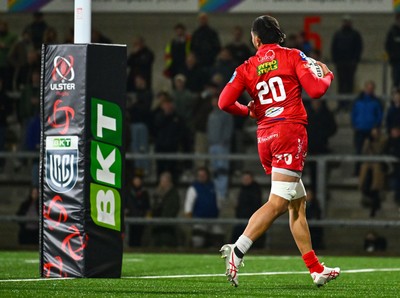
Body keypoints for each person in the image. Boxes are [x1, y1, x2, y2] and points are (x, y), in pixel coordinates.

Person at [218, 15, 340, 287]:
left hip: (265, 137)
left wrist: (247, 110)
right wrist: (328, 74)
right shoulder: (293, 55)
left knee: (297, 204)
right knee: (278, 203)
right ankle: (237, 251)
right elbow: (317, 91)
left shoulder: (246, 66)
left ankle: (315, 270)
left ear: (256, 39)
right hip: (288, 132)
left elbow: (224, 102)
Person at [351, 80, 383, 175]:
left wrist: (376, 127)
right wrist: (355, 125)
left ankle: (372, 174)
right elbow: (353, 114)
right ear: (365, 88)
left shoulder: (377, 102)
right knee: (358, 151)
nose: (369, 90)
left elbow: (379, 115)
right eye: (368, 88)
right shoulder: (357, 101)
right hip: (360, 129)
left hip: (371, 130)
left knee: (372, 152)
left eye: (371, 88)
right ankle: (357, 171)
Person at [331, 15, 363, 110]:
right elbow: (334, 48)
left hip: (351, 63)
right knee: (341, 84)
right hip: (340, 63)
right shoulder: (338, 34)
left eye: (348, 22)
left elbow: (359, 48)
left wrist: (355, 60)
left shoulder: (355, 34)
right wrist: (336, 60)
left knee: (350, 83)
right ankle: (341, 104)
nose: (346, 23)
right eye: (345, 21)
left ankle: (349, 104)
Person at [184, 166, 220, 248]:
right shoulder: (194, 188)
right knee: (198, 241)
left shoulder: (213, 186)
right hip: (199, 219)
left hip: (213, 219)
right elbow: (188, 204)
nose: (202, 177)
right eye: (200, 175)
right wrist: (190, 219)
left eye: (203, 175)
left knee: (219, 235)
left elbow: (218, 202)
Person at [305, 100, 337, 191]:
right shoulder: (307, 114)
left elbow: (333, 128)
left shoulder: (326, 114)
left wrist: (323, 134)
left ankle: (322, 191)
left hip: (322, 146)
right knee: (312, 173)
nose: (316, 104)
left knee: (323, 173)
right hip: (310, 147)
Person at [207, 96, 233, 201]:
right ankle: (216, 191)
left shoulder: (226, 114)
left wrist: (224, 141)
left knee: (222, 169)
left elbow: (229, 129)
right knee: (215, 170)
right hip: (212, 145)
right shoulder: (211, 114)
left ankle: (222, 192)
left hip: (222, 146)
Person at [358, 127, 388, 217]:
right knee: (367, 188)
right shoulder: (368, 141)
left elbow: (380, 152)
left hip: (378, 168)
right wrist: (368, 145)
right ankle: (375, 206)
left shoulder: (383, 141)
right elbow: (364, 152)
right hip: (368, 169)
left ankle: (374, 209)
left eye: (375, 132)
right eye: (373, 133)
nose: (374, 134)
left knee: (375, 190)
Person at [231, 171, 263, 247]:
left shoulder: (255, 190)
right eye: (244, 178)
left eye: (247, 178)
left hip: (250, 218)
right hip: (241, 217)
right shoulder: (242, 189)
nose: (245, 180)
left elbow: (256, 204)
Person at [151, 171, 181, 247]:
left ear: (169, 182)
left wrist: (165, 218)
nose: (162, 183)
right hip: (157, 224)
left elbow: (174, 208)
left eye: (164, 181)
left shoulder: (174, 193)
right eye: (161, 181)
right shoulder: (157, 193)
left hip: (168, 225)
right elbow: (153, 207)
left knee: (167, 243)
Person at [124, 174, 151, 247]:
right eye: (136, 180)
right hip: (130, 219)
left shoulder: (144, 193)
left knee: (139, 238)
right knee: (130, 238)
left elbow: (147, 207)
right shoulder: (128, 192)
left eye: (139, 180)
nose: (137, 182)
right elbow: (125, 204)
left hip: (141, 219)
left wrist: (146, 215)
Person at [385, 13, 400, 89]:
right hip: (396, 62)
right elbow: (388, 46)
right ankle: (394, 100)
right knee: (396, 82)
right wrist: (392, 57)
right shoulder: (392, 32)